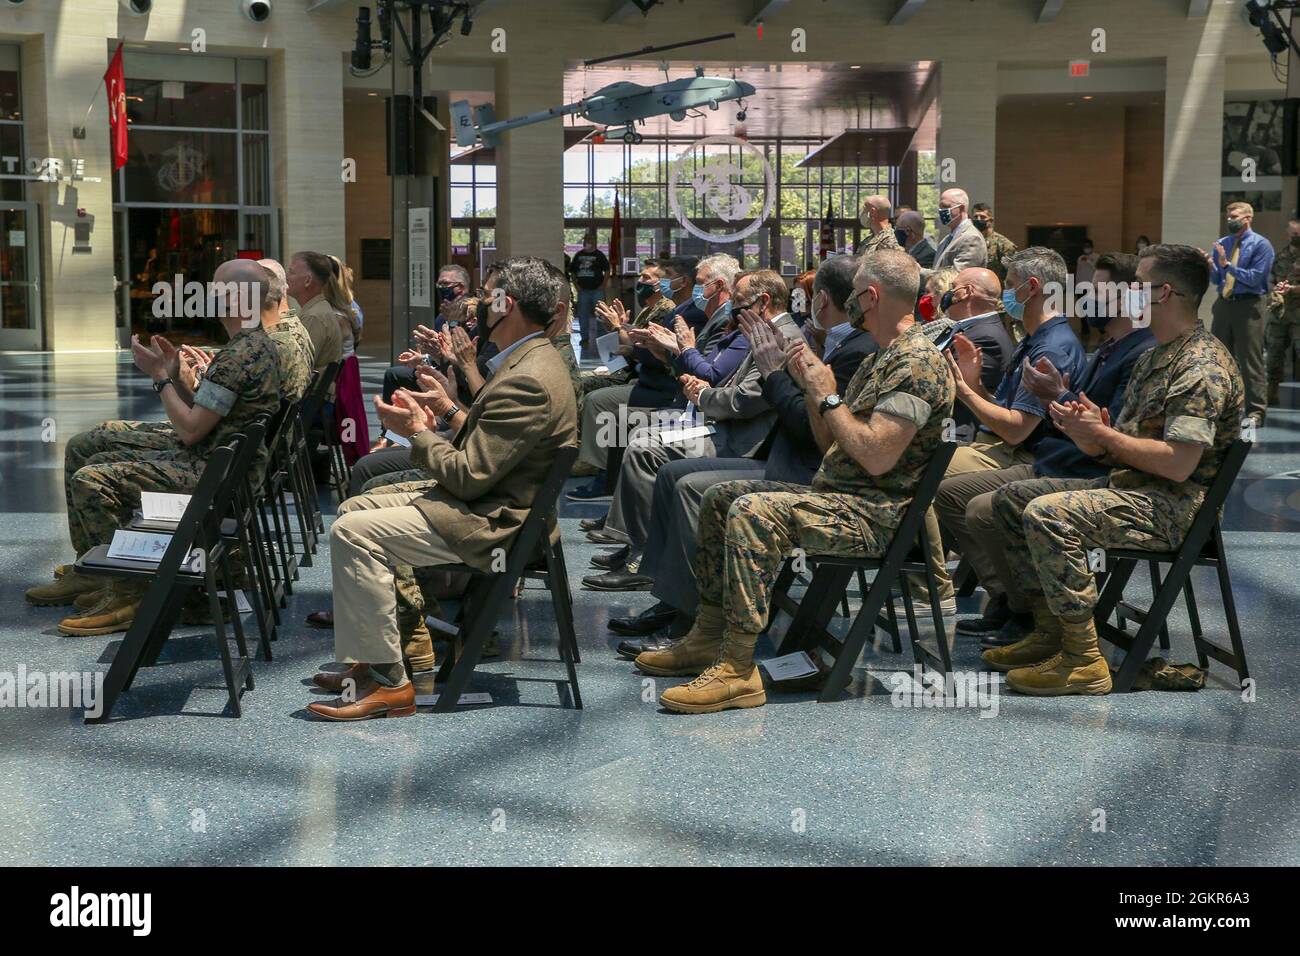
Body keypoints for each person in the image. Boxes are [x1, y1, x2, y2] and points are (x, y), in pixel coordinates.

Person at [634, 249, 955, 713]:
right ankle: (708, 633)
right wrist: (810, 388)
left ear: (871, 295)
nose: (850, 305)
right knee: (722, 497)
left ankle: (737, 668)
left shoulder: (916, 363)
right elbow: (831, 443)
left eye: (856, 296)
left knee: (752, 511)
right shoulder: (879, 359)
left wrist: (826, 397)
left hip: (874, 516)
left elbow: (877, 457)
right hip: (840, 497)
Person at [305, 256, 578, 721]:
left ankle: (391, 684)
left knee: (353, 532)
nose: (480, 306)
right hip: (492, 499)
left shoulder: (530, 375)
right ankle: (382, 657)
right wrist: (448, 412)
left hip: (493, 519)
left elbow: (470, 475)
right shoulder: (531, 358)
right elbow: (495, 440)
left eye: (489, 297)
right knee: (355, 505)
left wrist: (417, 432)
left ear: (504, 303)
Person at [984, 243, 1244, 696]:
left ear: (1162, 293)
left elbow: (1180, 465)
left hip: (1174, 507)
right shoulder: (1154, 356)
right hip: (1134, 488)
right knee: (1010, 501)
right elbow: (1121, 448)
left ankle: (1083, 660)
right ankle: (1052, 633)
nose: (1123, 296)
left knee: (1047, 513)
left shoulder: (1201, 366)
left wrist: (1103, 437)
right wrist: (1086, 429)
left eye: (1134, 286)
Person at [610, 254, 877, 654]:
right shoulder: (803, 336)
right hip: (760, 442)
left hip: (781, 457)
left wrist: (755, 372)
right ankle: (670, 599)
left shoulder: (795, 339)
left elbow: (785, 416)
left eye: (739, 301)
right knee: (668, 472)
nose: (733, 310)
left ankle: (692, 617)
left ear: (820, 299)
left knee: (686, 484)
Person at [27, 259, 282, 635]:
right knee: (91, 450)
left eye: (217, 289)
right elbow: (205, 411)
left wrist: (161, 378)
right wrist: (177, 376)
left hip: (213, 474)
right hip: (219, 464)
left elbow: (192, 430)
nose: (210, 295)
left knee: (92, 478)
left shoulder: (240, 354)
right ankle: (99, 570)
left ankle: (129, 593)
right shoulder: (250, 345)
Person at [939, 252, 1155, 644]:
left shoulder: (1128, 351)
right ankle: (1013, 601)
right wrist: (980, 386)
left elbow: (1032, 431)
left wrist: (968, 392)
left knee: (962, 492)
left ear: (1130, 295)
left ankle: (1033, 616)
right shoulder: (1108, 347)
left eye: (1097, 289)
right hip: (1061, 456)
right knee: (946, 487)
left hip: (1078, 466)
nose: (1087, 296)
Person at [580, 270, 803, 591]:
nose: (734, 310)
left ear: (763, 302)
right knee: (639, 437)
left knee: (645, 447)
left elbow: (746, 400)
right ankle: (641, 549)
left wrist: (702, 392)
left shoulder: (782, 335)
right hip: (723, 420)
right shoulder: (768, 330)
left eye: (739, 303)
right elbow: (733, 383)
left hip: (743, 438)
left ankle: (644, 558)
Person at [568, 254, 735, 501]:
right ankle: (609, 484)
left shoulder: (700, 315)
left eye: (658, 278)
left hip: (667, 389)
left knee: (610, 410)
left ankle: (606, 478)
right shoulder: (681, 309)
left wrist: (662, 349)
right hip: (654, 380)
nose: (649, 283)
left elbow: (704, 370)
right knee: (613, 412)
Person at [1209, 201, 1275, 424]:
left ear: (1247, 218)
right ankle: (1221, 407)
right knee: (1218, 357)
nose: (1229, 220)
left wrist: (1227, 266)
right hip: (1224, 303)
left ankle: (1255, 410)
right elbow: (1217, 279)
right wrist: (1211, 265)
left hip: (1249, 305)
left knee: (1250, 360)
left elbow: (1255, 278)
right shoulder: (1222, 243)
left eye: (1234, 216)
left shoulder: (1261, 245)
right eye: (1227, 216)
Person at [328, 254, 370, 465]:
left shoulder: (336, 315)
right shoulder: (349, 308)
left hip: (339, 390)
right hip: (346, 386)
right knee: (349, 424)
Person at [286, 251, 347, 369]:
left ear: (308, 281)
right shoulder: (317, 309)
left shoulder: (314, 316)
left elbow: (299, 367)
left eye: (291, 272)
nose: (286, 277)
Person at [1266, 219, 1300, 405]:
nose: (1296, 238)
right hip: (1280, 314)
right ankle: (1271, 394)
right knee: (1274, 354)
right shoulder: (1280, 257)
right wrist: (1276, 288)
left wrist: (1293, 289)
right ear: (1288, 235)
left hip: (1298, 316)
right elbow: (1270, 279)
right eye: (1294, 234)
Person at [568, 233, 610, 355]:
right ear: (584, 241)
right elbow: (573, 272)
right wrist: (576, 286)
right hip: (583, 291)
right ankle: (584, 339)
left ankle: (602, 339)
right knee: (583, 316)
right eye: (587, 240)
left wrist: (603, 285)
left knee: (601, 315)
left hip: (597, 290)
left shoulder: (599, 255)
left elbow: (607, 270)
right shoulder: (579, 255)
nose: (589, 242)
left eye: (591, 239)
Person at [932, 187, 988, 272]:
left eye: (946, 207)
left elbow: (957, 275)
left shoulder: (972, 238)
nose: (941, 211)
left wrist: (918, 271)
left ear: (961, 208)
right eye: (940, 207)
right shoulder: (946, 239)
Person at [970, 202, 1017, 283]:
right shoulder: (970, 241)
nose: (978, 219)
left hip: (996, 292)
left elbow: (1014, 272)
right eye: (975, 216)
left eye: (982, 217)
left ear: (991, 220)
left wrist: (1009, 295)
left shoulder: (1003, 244)